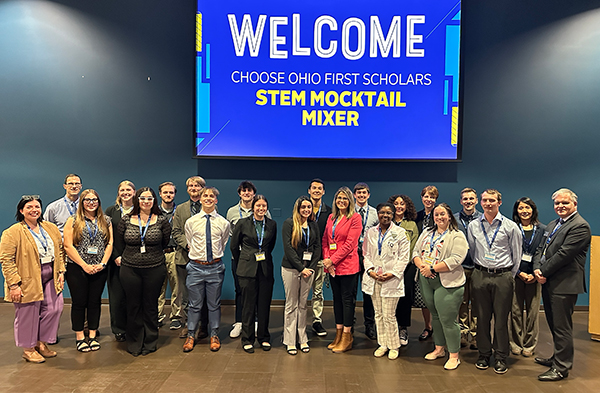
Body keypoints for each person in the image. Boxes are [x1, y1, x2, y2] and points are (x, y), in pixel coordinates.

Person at [533, 189, 591, 381]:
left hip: (565, 285)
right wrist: (537, 268)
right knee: (553, 324)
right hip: (551, 283)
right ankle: (557, 358)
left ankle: (561, 368)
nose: (560, 206)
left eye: (565, 203)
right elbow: (542, 248)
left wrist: (543, 271)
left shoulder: (580, 226)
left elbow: (564, 255)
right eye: (557, 203)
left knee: (562, 327)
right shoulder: (554, 224)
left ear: (574, 204)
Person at [0, 195, 65, 363]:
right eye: (29, 207)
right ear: (21, 211)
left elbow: (59, 251)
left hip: (51, 273)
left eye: (37, 206)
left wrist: (61, 272)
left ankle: (40, 343)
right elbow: (6, 260)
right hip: (26, 277)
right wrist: (14, 284)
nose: (34, 210)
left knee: (54, 308)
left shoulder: (50, 228)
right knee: (28, 314)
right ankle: (28, 349)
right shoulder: (12, 232)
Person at [468, 189, 522, 374]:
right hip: (480, 275)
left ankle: (500, 356)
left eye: (492, 200)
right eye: (484, 200)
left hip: (503, 276)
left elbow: (517, 254)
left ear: (499, 202)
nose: (488, 203)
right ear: (480, 203)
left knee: (500, 320)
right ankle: (483, 354)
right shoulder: (474, 225)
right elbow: (473, 249)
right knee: (482, 318)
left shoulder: (510, 226)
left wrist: (508, 275)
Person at [413, 203, 469, 370]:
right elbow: (415, 252)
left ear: (450, 216)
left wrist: (432, 268)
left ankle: (454, 355)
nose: (439, 217)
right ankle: (439, 348)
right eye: (436, 214)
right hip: (426, 279)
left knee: (448, 320)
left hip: (448, 282)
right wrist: (423, 267)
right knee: (435, 316)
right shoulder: (426, 233)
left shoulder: (457, 236)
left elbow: (456, 259)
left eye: (443, 214)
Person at [116, 187, 171, 356]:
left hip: (154, 268)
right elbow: (119, 243)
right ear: (137, 200)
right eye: (142, 198)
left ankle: (150, 341)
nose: (146, 201)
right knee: (133, 305)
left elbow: (165, 242)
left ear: (154, 201)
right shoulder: (126, 220)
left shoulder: (161, 221)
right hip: (130, 269)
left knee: (150, 305)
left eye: (149, 198)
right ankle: (134, 341)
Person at [63, 189, 112, 352]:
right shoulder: (72, 221)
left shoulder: (106, 220)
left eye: (94, 200)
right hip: (77, 268)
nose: (91, 203)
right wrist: (84, 265)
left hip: (99, 268)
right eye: (87, 200)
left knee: (94, 302)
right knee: (79, 302)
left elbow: (110, 244)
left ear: (99, 202)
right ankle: (79, 337)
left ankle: (92, 335)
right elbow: (68, 246)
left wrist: (103, 263)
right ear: (82, 202)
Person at [183, 187, 230, 353]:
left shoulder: (224, 223)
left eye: (212, 196)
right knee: (194, 305)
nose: (208, 198)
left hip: (215, 267)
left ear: (216, 200)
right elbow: (189, 240)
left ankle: (214, 334)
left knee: (214, 304)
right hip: (196, 267)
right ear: (200, 199)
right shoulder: (191, 222)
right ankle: (191, 335)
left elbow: (223, 243)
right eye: (205, 196)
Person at [362, 203, 410, 360]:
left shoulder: (400, 233)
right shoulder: (370, 232)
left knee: (389, 315)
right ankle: (383, 344)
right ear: (378, 214)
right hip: (374, 278)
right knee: (378, 314)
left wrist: (392, 273)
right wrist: (370, 271)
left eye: (389, 213)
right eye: (382, 212)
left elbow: (404, 258)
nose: (385, 215)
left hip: (391, 280)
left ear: (393, 214)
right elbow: (366, 255)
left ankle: (394, 345)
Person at [231, 195, 277, 353]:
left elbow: (270, 246)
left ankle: (264, 337)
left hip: (265, 269)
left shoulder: (272, 224)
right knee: (248, 306)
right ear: (253, 207)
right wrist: (243, 261)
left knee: (264, 305)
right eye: (258, 206)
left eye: (264, 206)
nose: (261, 208)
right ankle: (247, 338)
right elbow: (233, 246)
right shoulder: (242, 223)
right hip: (246, 269)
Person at [226, 180, 271, 339]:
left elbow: (268, 240)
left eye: (250, 191)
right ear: (239, 193)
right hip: (239, 259)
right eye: (244, 191)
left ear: (253, 194)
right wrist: (240, 258)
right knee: (240, 290)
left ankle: (256, 321)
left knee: (258, 291)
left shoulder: (263, 211)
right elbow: (231, 239)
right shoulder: (231, 212)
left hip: (259, 261)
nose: (247, 193)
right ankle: (240, 322)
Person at [322, 186, 362, 353]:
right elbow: (325, 240)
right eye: (339, 198)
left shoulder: (355, 218)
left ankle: (347, 335)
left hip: (348, 266)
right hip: (332, 267)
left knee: (347, 301)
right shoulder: (331, 217)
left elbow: (350, 244)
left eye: (345, 198)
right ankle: (338, 334)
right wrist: (327, 260)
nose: (341, 201)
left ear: (350, 201)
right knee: (336, 300)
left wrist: (332, 260)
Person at [281, 196, 320, 355]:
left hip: (308, 270)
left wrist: (309, 268)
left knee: (303, 305)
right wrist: (300, 267)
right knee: (291, 305)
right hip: (291, 269)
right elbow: (288, 248)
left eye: (308, 207)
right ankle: (290, 341)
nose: (306, 210)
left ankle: (302, 338)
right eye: (303, 207)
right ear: (298, 208)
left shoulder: (313, 225)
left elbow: (317, 248)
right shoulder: (289, 223)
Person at [171, 176, 209, 339]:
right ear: (187, 189)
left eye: (197, 185)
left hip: (205, 259)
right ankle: (189, 325)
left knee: (205, 295)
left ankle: (203, 326)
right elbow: (176, 231)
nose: (194, 188)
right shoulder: (180, 209)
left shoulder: (209, 206)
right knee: (186, 295)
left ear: (203, 188)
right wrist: (189, 245)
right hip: (185, 257)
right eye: (191, 186)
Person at [509, 197, 545, 358]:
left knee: (532, 313)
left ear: (533, 209)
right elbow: (507, 252)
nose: (524, 211)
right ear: (516, 211)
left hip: (535, 276)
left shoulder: (542, 229)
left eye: (527, 208)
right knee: (515, 311)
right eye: (521, 208)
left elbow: (545, 253)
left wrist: (535, 273)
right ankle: (515, 343)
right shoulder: (512, 228)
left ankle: (529, 345)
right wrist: (518, 272)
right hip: (516, 275)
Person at [105, 180, 136, 342]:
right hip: (115, 260)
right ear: (118, 193)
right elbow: (107, 237)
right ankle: (118, 329)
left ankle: (133, 327)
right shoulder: (111, 211)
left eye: (128, 189)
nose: (125, 192)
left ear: (134, 192)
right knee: (117, 297)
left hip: (136, 260)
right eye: (122, 190)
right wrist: (116, 256)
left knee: (133, 296)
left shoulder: (140, 211)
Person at [387, 194, 418, 347]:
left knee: (405, 298)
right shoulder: (386, 223)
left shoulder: (411, 225)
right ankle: (389, 328)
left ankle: (403, 328)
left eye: (402, 204)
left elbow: (414, 247)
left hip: (407, 267)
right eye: (396, 203)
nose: (399, 206)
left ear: (407, 207)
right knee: (388, 297)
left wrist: (402, 264)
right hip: (388, 267)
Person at [454, 187, 482, 350]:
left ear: (476, 200)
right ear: (461, 201)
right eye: (465, 199)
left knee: (477, 302)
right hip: (461, 267)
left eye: (471, 198)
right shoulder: (455, 219)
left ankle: (476, 334)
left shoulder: (483, 219)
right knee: (462, 301)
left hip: (479, 266)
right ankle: (463, 333)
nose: (468, 201)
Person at [353, 182, 379, 340]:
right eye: (359, 193)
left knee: (368, 292)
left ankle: (370, 324)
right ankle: (350, 322)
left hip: (368, 256)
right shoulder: (349, 212)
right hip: (351, 255)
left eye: (364, 193)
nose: (361, 195)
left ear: (368, 195)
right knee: (350, 290)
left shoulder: (375, 213)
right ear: (354, 195)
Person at [414, 185, 439, 342]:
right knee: (424, 298)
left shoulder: (441, 215)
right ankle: (428, 327)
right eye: (426, 196)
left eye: (432, 197)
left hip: (437, 263)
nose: (429, 199)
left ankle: (439, 328)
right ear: (422, 198)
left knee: (438, 298)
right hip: (420, 262)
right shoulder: (416, 216)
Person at [308, 178, 331, 337]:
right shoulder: (303, 208)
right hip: (304, 260)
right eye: (314, 188)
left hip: (321, 259)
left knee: (317, 291)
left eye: (319, 188)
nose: (316, 190)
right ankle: (300, 320)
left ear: (323, 192)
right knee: (301, 292)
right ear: (309, 191)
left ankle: (317, 320)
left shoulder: (329, 212)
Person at [156, 181, 181, 330]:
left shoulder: (179, 211)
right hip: (157, 252)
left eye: (171, 192)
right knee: (158, 286)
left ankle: (176, 316)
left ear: (174, 194)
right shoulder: (154, 212)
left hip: (175, 252)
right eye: (165, 192)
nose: (168, 195)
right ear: (160, 194)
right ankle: (157, 315)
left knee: (177, 286)